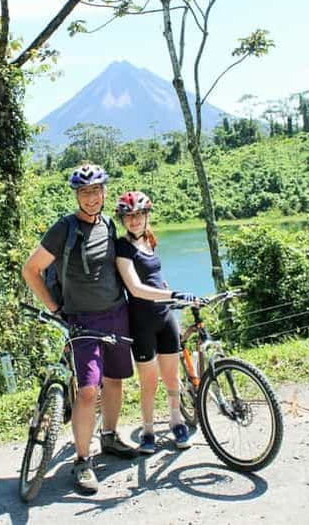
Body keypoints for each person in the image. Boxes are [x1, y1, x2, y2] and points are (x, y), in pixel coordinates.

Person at [21, 164, 137, 495]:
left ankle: (110, 437)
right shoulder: (63, 229)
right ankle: (82, 460)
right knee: (88, 391)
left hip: (117, 314)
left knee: (115, 380)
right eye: (85, 192)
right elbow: (31, 271)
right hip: (83, 321)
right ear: (77, 195)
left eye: (96, 191)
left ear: (104, 193)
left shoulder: (109, 224)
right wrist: (56, 309)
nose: (91, 198)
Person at [114, 190, 196, 454]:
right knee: (149, 382)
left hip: (165, 317)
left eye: (139, 215)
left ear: (147, 215)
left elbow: (154, 276)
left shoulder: (150, 241)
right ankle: (148, 430)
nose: (134, 221)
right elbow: (136, 288)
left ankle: (176, 422)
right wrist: (172, 294)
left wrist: (167, 289)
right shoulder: (122, 247)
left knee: (172, 378)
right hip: (141, 323)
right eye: (129, 217)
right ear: (123, 220)